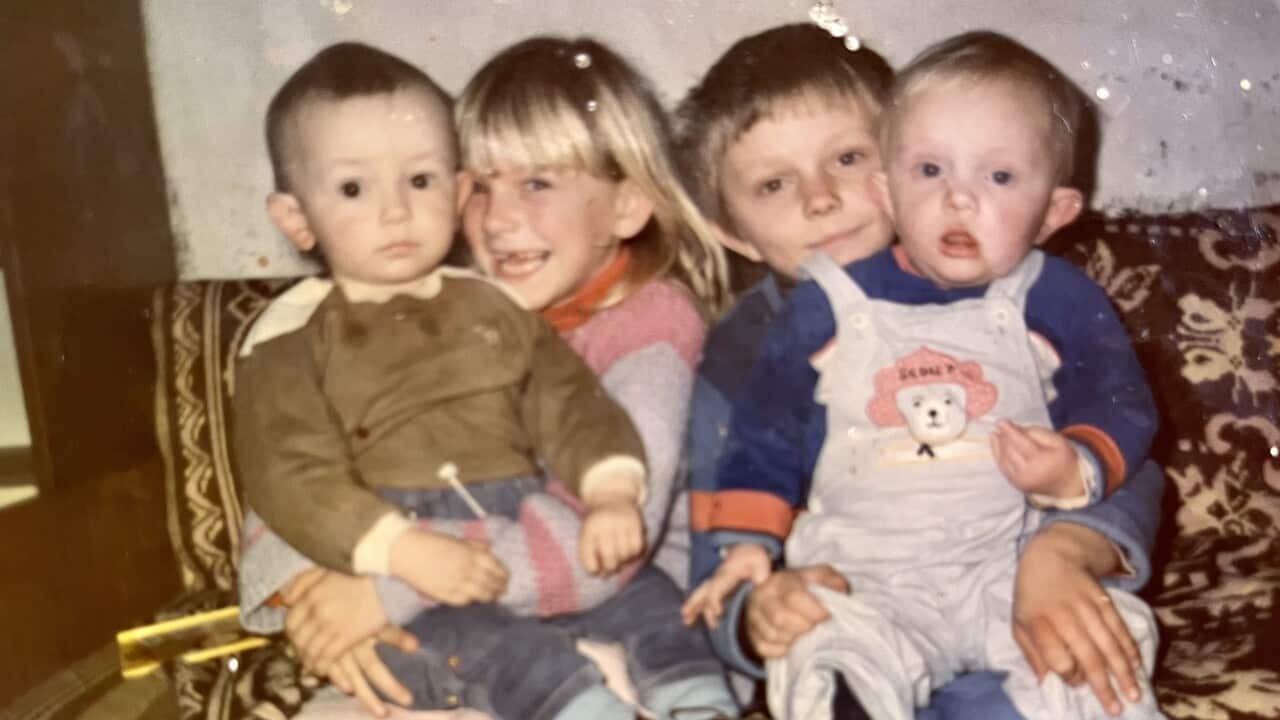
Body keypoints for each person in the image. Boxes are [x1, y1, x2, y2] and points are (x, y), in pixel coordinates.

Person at [236, 38, 738, 720]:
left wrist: (387, 590)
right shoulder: (430, 307)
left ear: (626, 206)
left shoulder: (652, 327)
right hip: (456, 599)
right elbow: (286, 471)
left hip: (610, 600)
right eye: (481, 186)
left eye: (537, 183)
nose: (498, 220)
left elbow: (604, 546)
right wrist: (314, 597)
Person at [675, 24, 1166, 719]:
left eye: (848, 158)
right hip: (858, 602)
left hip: (1014, 583)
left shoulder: (1024, 295)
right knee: (828, 659)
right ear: (731, 231)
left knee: (1088, 666)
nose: (821, 199)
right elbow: (720, 547)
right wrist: (758, 612)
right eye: (774, 184)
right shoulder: (739, 355)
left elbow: (1129, 448)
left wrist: (1071, 549)